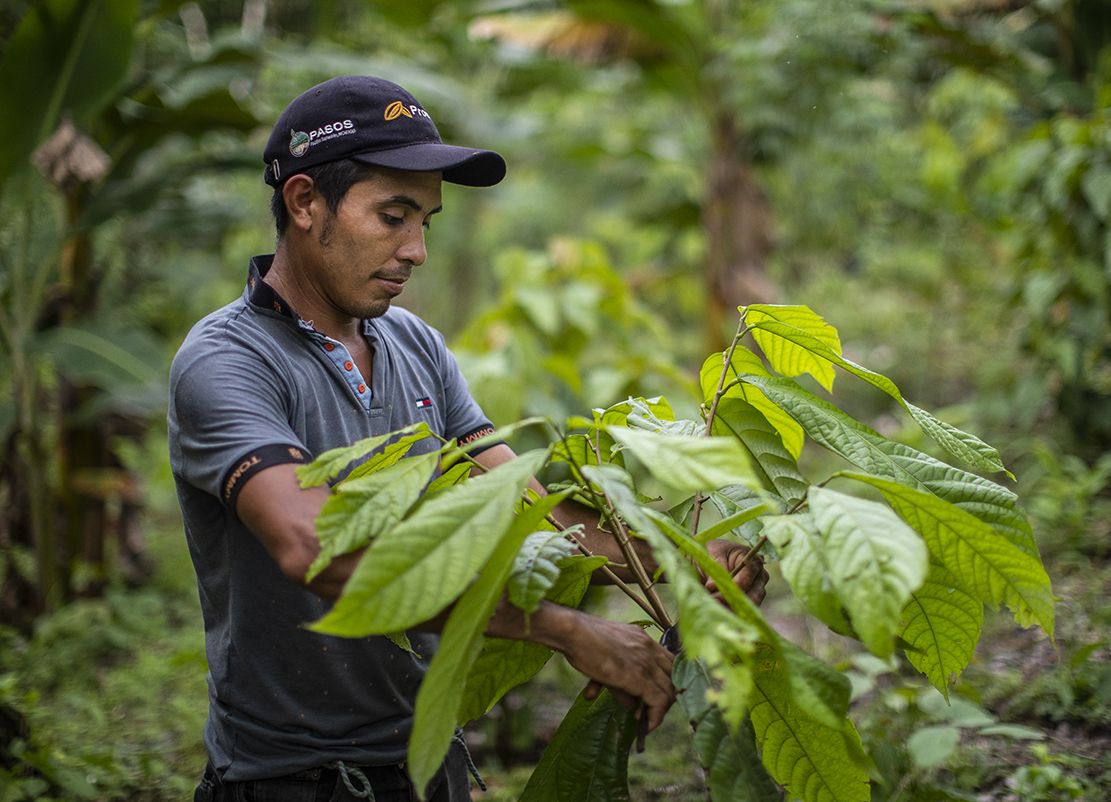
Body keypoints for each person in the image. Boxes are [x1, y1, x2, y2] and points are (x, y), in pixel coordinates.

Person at [168, 75, 768, 802]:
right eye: (393, 216)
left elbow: (528, 510)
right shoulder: (227, 361)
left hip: (429, 761)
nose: (416, 250)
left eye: (426, 221)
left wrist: (682, 561)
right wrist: (562, 629)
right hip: (293, 780)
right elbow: (316, 548)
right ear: (303, 202)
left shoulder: (415, 345)